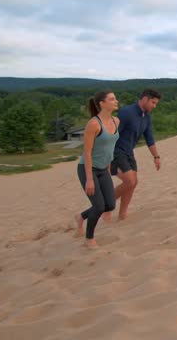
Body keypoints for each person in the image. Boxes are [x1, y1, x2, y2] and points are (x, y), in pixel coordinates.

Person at [74, 90, 120, 248]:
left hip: (103, 169)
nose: (116, 101)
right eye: (112, 99)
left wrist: (108, 169)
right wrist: (89, 179)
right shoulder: (94, 124)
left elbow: (110, 148)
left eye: (115, 99)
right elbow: (86, 152)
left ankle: (81, 216)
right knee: (99, 206)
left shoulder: (116, 121)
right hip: (88, 169)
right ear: (102, 103)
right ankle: (89, 238)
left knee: (110, 205)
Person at [108, 88, 162, 221]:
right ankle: (106, 205)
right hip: (116, 151)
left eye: (156, 104)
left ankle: (122, 214)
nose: (154, 106)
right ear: (144, 99)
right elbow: (111, 135)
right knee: (129, 181)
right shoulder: (126, 112)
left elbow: (149, 138)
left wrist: (156, 157)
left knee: (134, 183)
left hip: (129, 152)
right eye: (153, 102)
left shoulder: (147, 116)